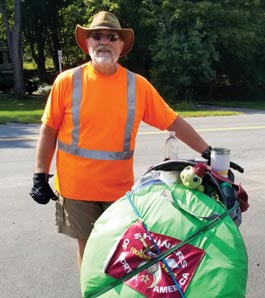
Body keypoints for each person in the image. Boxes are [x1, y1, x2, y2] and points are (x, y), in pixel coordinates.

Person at [30, 11, 211, 269]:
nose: (104, 41)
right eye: (97, 36)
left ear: (121, 45)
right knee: (88, 248)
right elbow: (48, 130)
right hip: (75, 189)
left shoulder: (137, 85)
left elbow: (173, 121)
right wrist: (40, 175)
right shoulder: (68, 81)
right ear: (88, 44)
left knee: (121, 253)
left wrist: (207, 151)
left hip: (118, 191)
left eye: (111, 37)